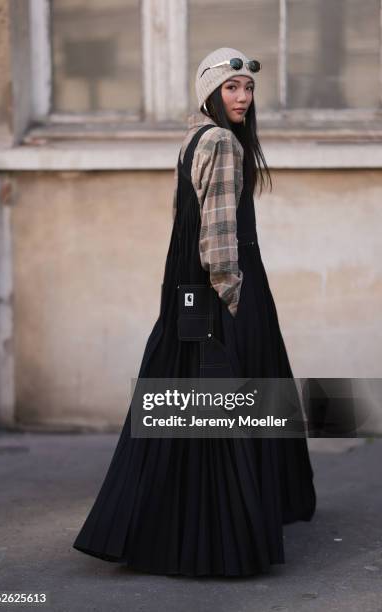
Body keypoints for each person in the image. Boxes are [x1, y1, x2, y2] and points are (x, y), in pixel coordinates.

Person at [73, 47, 316, 577]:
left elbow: (183, 220)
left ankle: (166, 519)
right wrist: (233, 300)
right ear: (209, 90)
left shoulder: (192, 139)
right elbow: (218, 235)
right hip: (223, 286)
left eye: (248, 90)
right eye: (232, 88)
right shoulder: (223, 144)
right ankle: (233, 525)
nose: (243, 98)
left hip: (184, 286)